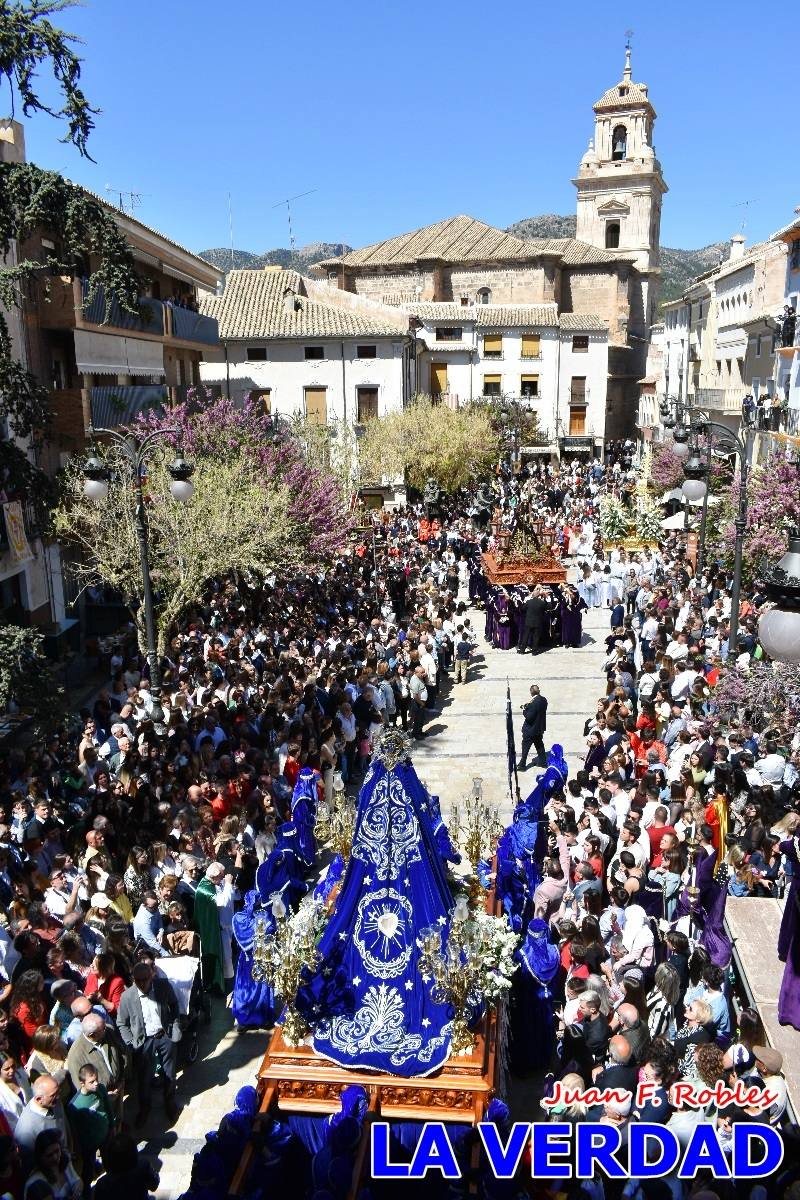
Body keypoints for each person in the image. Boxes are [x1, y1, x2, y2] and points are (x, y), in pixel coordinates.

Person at [116, 962, 180, 1127]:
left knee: (169, 1073)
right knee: (144, 1078)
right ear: (133, 979)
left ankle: (170, 1103)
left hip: (164, 1035)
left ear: (152, 976)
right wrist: (131, 1043)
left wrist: (174, 1027)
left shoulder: (163, 986)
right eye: (138, 980)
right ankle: (145, 1108)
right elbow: (122, 1023)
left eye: (145, 979)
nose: (142, 983)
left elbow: (174, 1004)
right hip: (144, 1041)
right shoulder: (127, 996)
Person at [64, 1015, 124, 1115]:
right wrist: (103, 1096)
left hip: (118, 1087)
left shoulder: (108, 1032)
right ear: (92, 1035)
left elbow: (122, 1052)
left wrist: (121, 1078)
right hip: (101, 1100)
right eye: (103, 1029)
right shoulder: (76, 1055)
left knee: (118, 1115)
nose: (107, 1028)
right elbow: (81, 1087)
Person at [67, 1063, 115, 1187]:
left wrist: (112, 1126)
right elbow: (74, 1130)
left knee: (110, 1163)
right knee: (88, 1170)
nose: (96, 1083)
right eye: (92, 1081)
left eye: (96, 1080)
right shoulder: (74, 1105)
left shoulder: (101, 1089)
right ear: (82, 1083)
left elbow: (108, 1108)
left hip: (105, 1136)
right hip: (89, 1144)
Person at [11, 1076, 67, 1169]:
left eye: (58, 1092)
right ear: (39, 1099)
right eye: (53, 1095)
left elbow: (65, 1125)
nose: (58, 1096)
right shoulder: (26, 1131)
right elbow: (31, 1164)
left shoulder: (53, 1101)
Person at [22, 1128, 81, 1200]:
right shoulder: (34, 1182)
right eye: (50, 1155)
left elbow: (77, 1180)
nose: (55, 1157)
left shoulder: (65, 1162)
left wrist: (78, 1189)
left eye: (57, 1151)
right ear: (41, 1157)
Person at [0, 1054, 32, 1132]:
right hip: (19, 1130)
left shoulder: (20, 1074)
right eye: (7, 1069)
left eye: (13, 1066)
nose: (11, 1070)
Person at [519, 684, 548, 770]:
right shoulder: (544, 700)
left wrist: (524, 710)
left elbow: (529, 717)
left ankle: (522, 765)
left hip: (530, 730)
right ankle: (543, 762)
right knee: (539, 745)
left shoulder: (533, 703)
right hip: (539, 728)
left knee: (525, 747)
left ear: (531, 692)